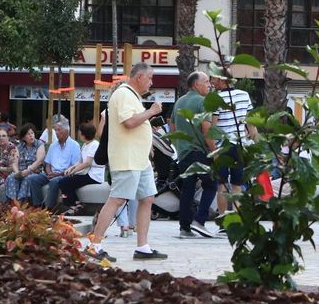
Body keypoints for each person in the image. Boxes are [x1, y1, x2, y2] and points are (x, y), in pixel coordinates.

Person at [86, 61, 167, 261]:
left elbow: (135, 122)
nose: (151, 82)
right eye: (149, 78)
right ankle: (94, 245)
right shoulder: (123, 94)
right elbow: (129, 122)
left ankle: (143, 247)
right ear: (139, 77)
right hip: (127, 158)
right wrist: (152, 111)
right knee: (117, 199)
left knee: (148, 198)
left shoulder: (132, 96)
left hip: (139, 159)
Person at [172, 71, 219, 239]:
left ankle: (184, 228)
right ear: (196, 85)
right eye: (206, 82)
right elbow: (207, 130)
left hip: (183, 152)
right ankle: (199, 220)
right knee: (211, 184)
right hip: (199, 152)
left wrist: (179, 144)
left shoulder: (179, 102)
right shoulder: (202, 102)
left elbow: (173, 125)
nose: (209, 85)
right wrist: (214, 152)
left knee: (188, 189)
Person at [211, 73, 256, 216]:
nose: (212, 82)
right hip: (239, 145)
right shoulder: (245, 95)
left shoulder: (216, 99)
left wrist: (213, 150)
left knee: (222, 185)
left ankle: (222, 217)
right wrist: (257, 143)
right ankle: (237, 218)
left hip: (222, 146)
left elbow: (213, 126)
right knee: (238, 185)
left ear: (221, 80)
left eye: (214, 79)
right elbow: (251, 124)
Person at [53, 122, 106, 212]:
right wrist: (71, 168)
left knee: (64, 182)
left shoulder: (94, 145)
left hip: (93, 175)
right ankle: (76, 204)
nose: (79, 134)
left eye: (80, 132)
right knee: (65, 181)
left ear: (84, 134)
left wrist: (74, 171)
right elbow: (80, 161)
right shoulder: (85, 145)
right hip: (86, 173)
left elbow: (87, 163)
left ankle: (73, 205)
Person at [34, 115, 81, 210]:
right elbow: (48, 164)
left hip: (63, 174)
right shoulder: (53, 145)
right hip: (51, 173)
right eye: (56, 130)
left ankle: (48, 209)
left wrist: (57, 174)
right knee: (32, 179)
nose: (57, 132)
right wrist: (49, 172)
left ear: (66, 131)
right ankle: (37, 206)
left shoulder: (74, 145)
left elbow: (74, 167)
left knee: (55, 182)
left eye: (59, 130)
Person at [6, 124, 46, 204]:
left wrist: (28, 170)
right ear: (24, 137)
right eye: (28, 134)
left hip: (35, 171)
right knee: (11, 177)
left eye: (32, 133)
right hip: (21, 172)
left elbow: (39, 161)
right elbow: (14, 162)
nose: (31, 136)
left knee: (27, 178)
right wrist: (17, 172)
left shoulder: (39, 144)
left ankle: (21, 203)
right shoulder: (19, 147)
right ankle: (13, 202)